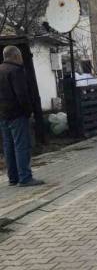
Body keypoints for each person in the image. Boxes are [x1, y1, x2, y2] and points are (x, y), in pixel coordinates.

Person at [0, 45, 44, 187]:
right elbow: (22, 94)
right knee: (21, 146)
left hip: (3, 115)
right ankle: (25, 177)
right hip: (17, 114)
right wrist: (28, 111)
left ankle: (13, 178)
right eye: (20, 56)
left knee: (8, 146)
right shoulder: (16, 71)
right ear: (15, 56)